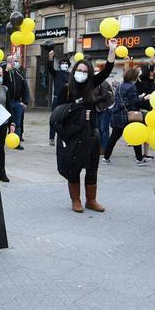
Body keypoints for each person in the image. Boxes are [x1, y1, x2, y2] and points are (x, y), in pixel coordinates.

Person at [56, 53, 114, 212]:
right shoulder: (66, 90)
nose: (81, 73)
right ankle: (76, 201)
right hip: (74, 135)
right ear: (74, 71)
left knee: (92, 168)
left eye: (84, 71)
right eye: (79, 70)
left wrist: (112, 50)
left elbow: (107, 71)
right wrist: (65, 136)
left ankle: (91, 200)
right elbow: (56, 115)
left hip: (91, 134)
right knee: (74, 168)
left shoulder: (91, 86)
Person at [104, 67, 152, 164]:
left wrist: (137, 97)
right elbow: (133, 102)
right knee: (135, 136)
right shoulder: (131, 87)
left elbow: (125, 99)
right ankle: (139, 159)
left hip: (117, 115)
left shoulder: (120, 86)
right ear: (134, 77)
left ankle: (106, 157)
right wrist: (144, 98)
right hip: (128, 116)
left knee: (113, 138)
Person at [3, 55, 29, 147]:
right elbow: (1, 82)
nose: (17, 63)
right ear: (9, 62)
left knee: (17, 123)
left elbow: (25, 89)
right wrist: (6, 70)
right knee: (6, 123)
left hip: (17, 102)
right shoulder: (4, 73)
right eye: (15, 61)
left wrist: (25, 102)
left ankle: (16, 142)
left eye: (17, 61)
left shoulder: (19, 75)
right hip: (6, 102)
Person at [46, 51, 69, 144]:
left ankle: (64, 136)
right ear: (60, 65)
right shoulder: (57, 74)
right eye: (62, 63)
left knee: (66, 119)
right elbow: (50, 68)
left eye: (66, 63)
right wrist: (50, 58)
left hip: (67, 100)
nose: (64, 65)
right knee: (54, 118)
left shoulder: (70, 75)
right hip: (57, 99)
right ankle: (52, 138)